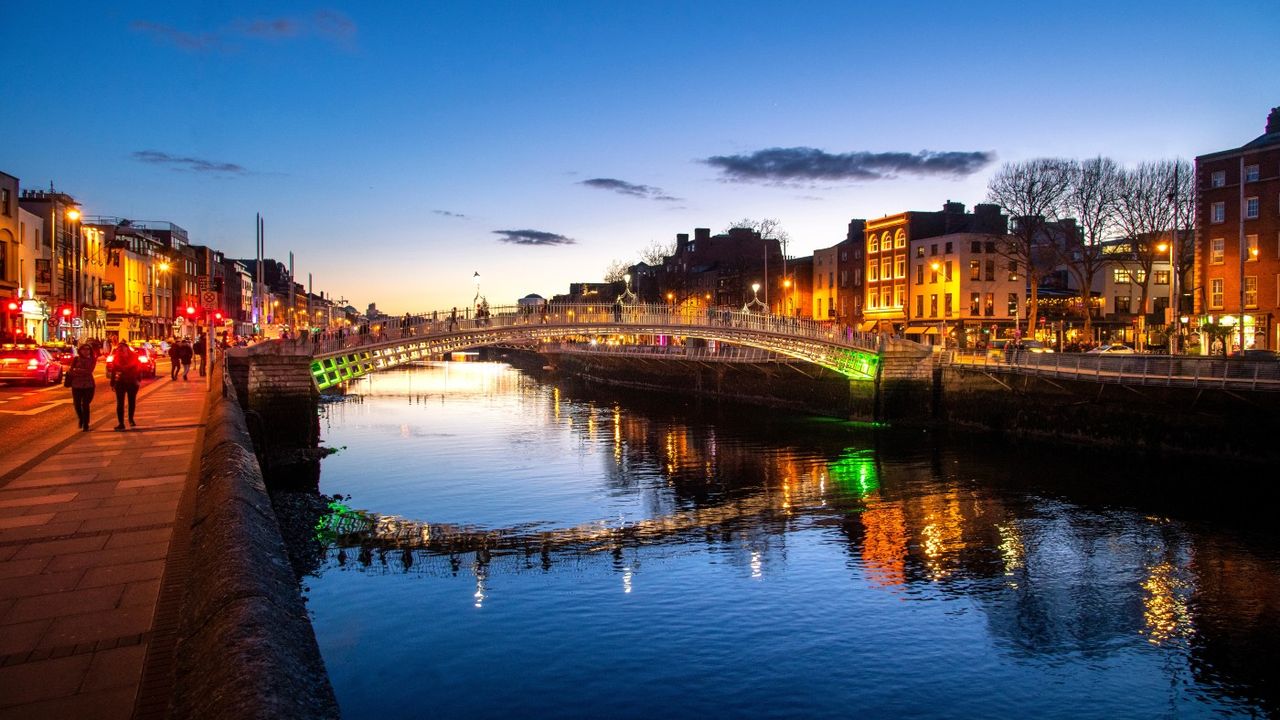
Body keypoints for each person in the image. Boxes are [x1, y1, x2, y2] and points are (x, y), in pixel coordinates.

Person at [109, 342, 141, 430]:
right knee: (120, 403)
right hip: (120, 382)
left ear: (127, 348)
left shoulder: (134, 357)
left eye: (122, 347)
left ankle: (131, 419)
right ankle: (121, 423)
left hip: (132, 382)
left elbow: (138, 370)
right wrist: (112, 383)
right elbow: (113, 371)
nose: (121, 349)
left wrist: (138, 380)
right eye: (119, 348)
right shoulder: (116, 358)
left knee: (131, 402)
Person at [67, 343, 97, 431]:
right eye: (84, 349)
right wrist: (78, 371)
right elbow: (71, 371)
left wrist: (77, 370)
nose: (86, 351)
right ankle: (81, 418)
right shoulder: (76, 359)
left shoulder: (92, 359)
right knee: (77, 404)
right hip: (76, 385)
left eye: (88, 349)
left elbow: (89, 371)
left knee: (85, 404)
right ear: (80, 350)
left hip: (89, 385)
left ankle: (86, 424)